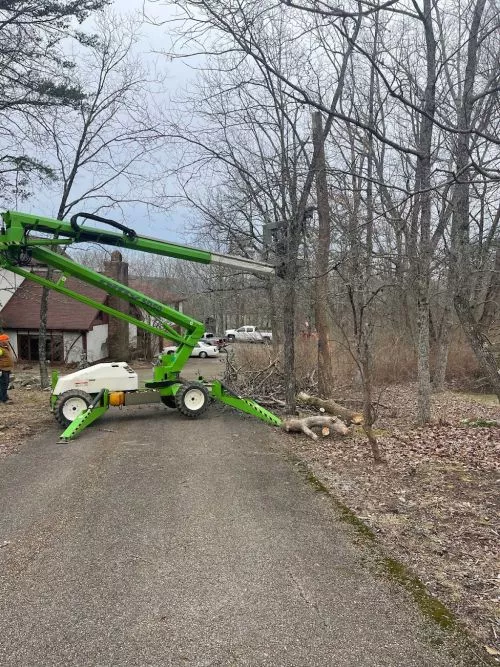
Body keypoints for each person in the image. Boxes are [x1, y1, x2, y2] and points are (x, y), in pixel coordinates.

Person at [0, 333, 14, 404]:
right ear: (2, 341)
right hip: (2, 369)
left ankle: (3, 396)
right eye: (6, 339)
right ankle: (4, 399)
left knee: (5, 383)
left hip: (7, 369)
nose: (8, 341)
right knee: (4, 384)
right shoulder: (0, 349)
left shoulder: (6, 348)